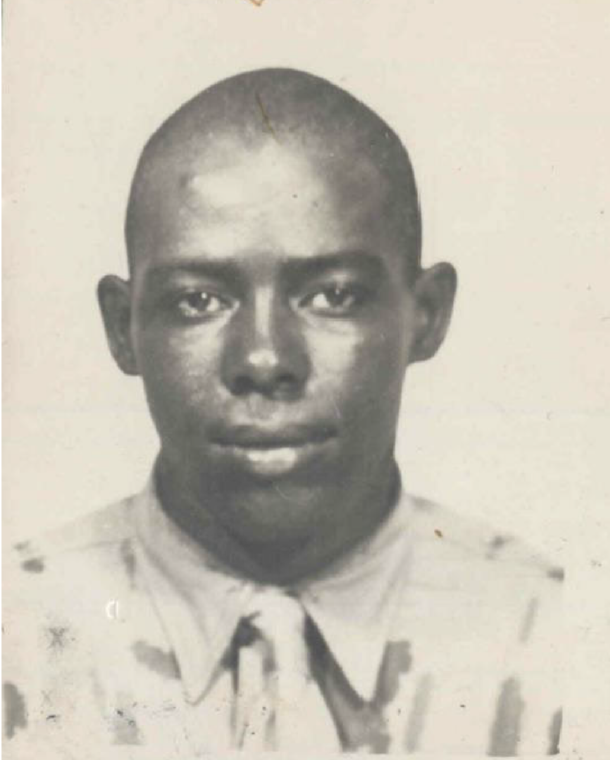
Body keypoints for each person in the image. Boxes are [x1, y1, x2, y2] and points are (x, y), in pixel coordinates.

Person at [4, 69, 563, 757]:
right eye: (198, 300)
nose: (264, 358)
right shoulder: (17, 636)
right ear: (123, 327)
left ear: (426, 314)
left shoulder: (564, 641)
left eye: (332, 294)